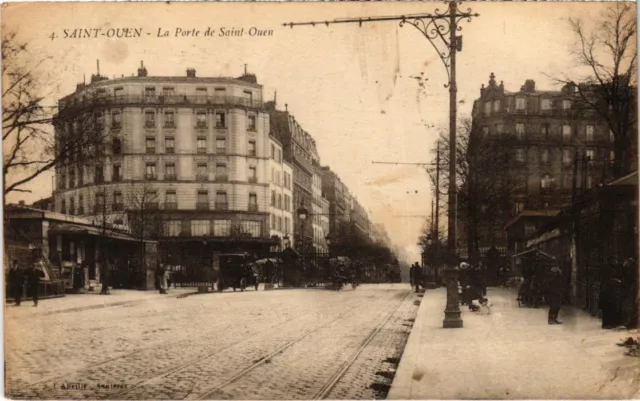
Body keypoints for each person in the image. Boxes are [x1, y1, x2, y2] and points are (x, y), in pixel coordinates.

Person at [600, 259, 624, 329]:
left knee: (611, 308)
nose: (616, 262)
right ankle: (606, 324)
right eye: (614, 261)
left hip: (611, 293)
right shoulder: (607, 270)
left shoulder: (615, 269)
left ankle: (611, 323)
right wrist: (616, 281)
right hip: (607, 293)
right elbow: (607, 280)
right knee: (607, 308)